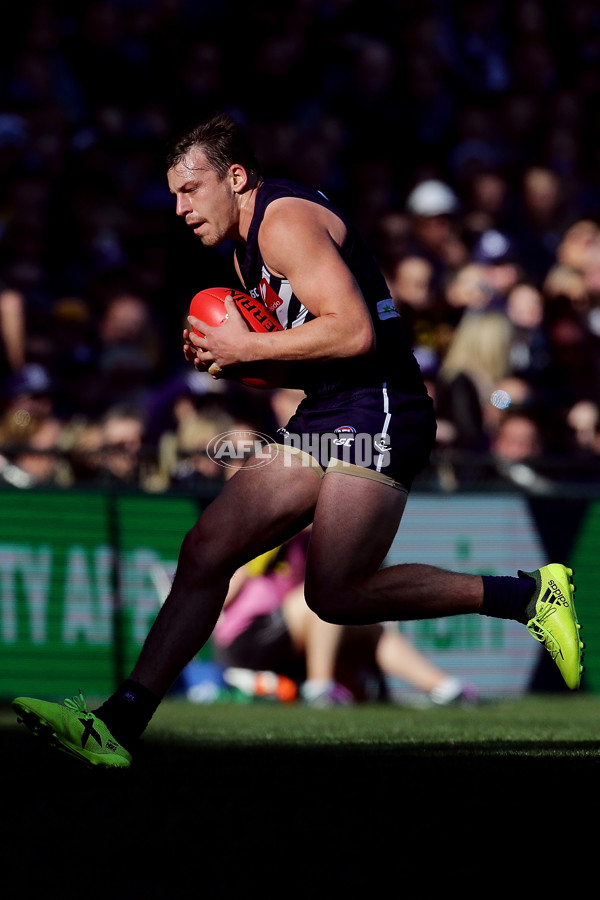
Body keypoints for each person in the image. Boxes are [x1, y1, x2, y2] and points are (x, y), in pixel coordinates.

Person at [13, 112, 583, 768]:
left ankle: (530, 595)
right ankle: (117, 725)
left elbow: (355, 333)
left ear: (235, 176)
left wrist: (246, 345)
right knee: (205, 551)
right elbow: (311, 353)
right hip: (331, 405)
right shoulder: (244, 246)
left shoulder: (283, 223)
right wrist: (231, 359)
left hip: (380, 407)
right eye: (173, 194)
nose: (179, 207)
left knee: (334, 592)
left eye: (190, 189)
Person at [213, 532, 477, 708]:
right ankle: (320, 688)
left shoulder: (316, 544)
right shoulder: (265, 534)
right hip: (245, 640)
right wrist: (248, 564)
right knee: (328, 594)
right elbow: (218, 598)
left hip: (289, 643)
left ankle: (445, 689)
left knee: (370, 630)